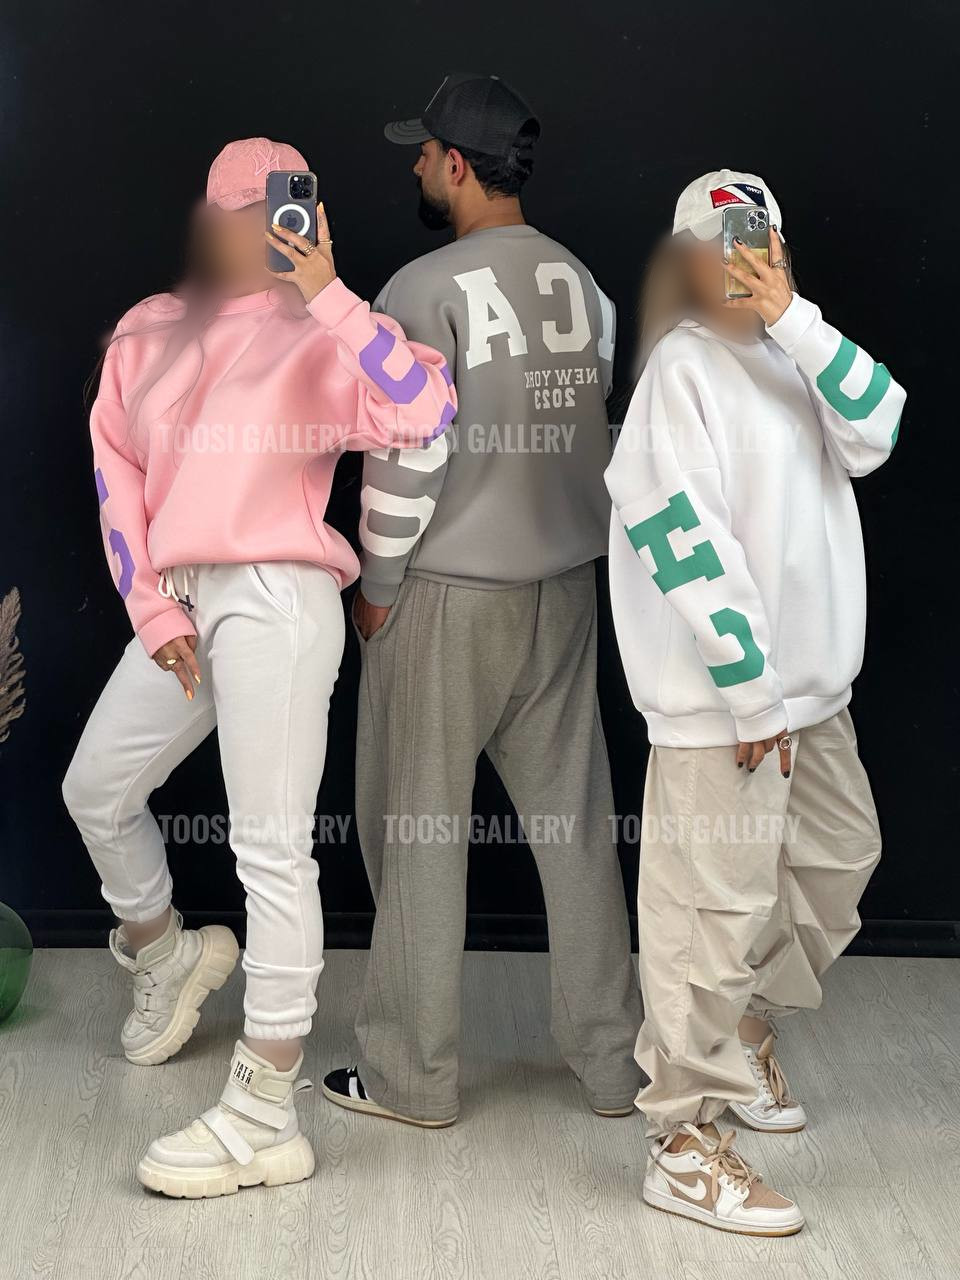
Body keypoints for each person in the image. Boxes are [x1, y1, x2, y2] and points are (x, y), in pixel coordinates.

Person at [61, 137, 455, 1198]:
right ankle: (166, 955)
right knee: (96, 788)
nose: (271, 228)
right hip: (185, 601)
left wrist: (329, 297)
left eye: (290, 209)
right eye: (250, 211)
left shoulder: (326, 331)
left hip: (278, 599)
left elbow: (425, 412)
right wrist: (151, 605)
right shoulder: (149, 329)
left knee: (271, 851)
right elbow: (115, 471)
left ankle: (265, 1109)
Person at [322, 73, 643, 1128]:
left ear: (457, 165)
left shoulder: (420, 288)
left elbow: (406, 459)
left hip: (448, 596)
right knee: (578, 832)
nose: (417, 164)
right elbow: (597, 420)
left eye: (425, 152)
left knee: (416, 831)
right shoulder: (583, 283)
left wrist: (377, 586)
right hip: (565, 591)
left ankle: (413, 1079)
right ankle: (614, 1067)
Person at [605, 169, 905, 1235]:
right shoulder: (679, 372)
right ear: (688, 261)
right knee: (710, 912)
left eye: (759, 241)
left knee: (838, 861)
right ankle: (681, 1139)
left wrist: (796, 318)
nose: (742, 263)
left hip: (814, 694)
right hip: (724, 706)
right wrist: (747, 691)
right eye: (721, 246)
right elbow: (678, 535)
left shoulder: (796, 353)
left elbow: (879, 426)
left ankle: (745, 1030)